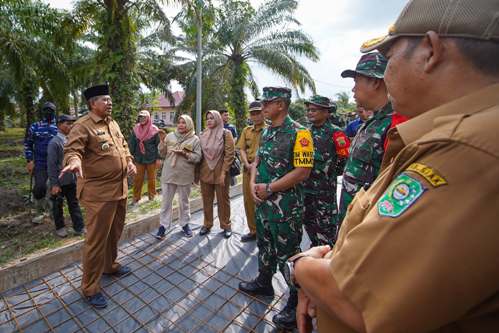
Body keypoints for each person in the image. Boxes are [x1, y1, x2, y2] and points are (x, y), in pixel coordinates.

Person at [291, 0, 499, 332]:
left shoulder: (464, 150)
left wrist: (302, 268)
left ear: (430, 51)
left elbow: (358, 299)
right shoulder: (452, 135)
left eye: (388, 60)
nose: (385, 76)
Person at [238, 87, 313, 331]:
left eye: (267, 103)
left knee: (288, 255)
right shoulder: (268, 132)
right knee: (265, 246)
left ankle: (294, 301)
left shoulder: (301, 134)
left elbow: (303, 172)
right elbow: (257, 162)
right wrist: (251, 186)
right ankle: (263, 281)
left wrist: (269, 188)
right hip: (263, 205)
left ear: (281, 105)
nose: (263, 107)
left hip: (286, 209)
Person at [61, 84, 137, 309]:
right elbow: (72, 150)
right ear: (92, 104)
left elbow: (123, 146)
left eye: (110, 99)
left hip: (119, 189)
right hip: (98, 194)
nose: (109, 102)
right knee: (96, 241)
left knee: (115, 232)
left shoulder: (112, 123)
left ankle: (110, 266)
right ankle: (90, 287)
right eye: (105, 99)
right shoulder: (83, 125)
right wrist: (74, 161)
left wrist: (130, 161)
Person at [337, 52, 395, 227]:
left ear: (375, 82)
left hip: (368, 225)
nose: (353, 89)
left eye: (356, 82)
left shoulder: (393, 125)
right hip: (352, 219)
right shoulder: (372, 122)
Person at [303, 95, 349, 247]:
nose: (310, 113)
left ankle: (327, 250)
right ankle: (314, 245)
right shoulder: (305, 133)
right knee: (308, 220)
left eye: (314, 110)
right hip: (306, 188)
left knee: (326, 224)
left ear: (326, 112)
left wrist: (331, 175)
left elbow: (344, 159)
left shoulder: (336, 133)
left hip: (325, 190)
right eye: (308, 110)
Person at [155, 115, 201, 239]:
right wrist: (161, 141)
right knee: (165, 202)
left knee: (184, 202)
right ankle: (163, 226)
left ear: (189, 124)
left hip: (185, 175)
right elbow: (162, 153)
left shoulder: (195, 139)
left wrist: (185, 154)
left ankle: (185, 224)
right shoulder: (170, 136)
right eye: (179, 122)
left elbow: (198, 158)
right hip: (169, 173)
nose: (181, 125)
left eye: (184, 123)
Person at [198, 110, 235, 238]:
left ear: (218, 119)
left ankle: (226, 225)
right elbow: (200, 155)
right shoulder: (202, 134)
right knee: (206, 200)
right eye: (207, 118)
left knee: (223, 200)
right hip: (205, 172)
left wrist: (224, 173)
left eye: (212, 118)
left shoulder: (226, 133)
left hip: (221, 172)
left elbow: (230, 155)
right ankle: (207, 224)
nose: (209, 121)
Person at [47, 114, 84, 238]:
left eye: (71, 124)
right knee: (58, 205)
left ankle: (79, 227)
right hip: (59, 180)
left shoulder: (70, 140)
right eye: (67, 124)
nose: (70, 126)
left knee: (74, 203)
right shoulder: (54, 142)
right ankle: (60, 227)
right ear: (59, 125)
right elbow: (51, 165)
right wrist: (54, 184)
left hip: (71, 179)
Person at [237, 101, 267, 242]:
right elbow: (241, 148)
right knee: (248, 201)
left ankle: (265, 231)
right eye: (252, 113)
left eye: (258, 112)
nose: (255, 116)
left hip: (264, 170)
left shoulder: (270, 129)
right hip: (248, 170)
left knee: (263, 200)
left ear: (263, 112)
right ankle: (253, 230)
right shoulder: (246, 130)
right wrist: (246, 163)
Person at [24, 101, 58, 224]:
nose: (48, 112)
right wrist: (29, 160)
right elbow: (28, 144)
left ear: (55, 112)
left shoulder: (59, 126)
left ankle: (53, 212)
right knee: (39, 188)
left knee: (54, 187)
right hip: (40, 163)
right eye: (46, 110)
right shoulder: (35, 126)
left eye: (51, 110)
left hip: (56, 163)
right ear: (42, 112)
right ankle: (40, 211)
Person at [129, 110, 161, 205]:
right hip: (139, 158)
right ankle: (136, 198)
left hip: (151, 158)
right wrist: (130, 157)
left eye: (144, 117)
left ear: (148, 118)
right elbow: (132, 144)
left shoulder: (154, 130)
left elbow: (158, 145)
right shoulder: (135, 129)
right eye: (140, 117)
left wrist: (158, 158)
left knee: (152, 178)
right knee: (138, 179)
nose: (142, 119)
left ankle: (152, 196)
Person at [221, 109, 239, 186]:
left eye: (228, 115)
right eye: (225, 115)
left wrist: (228, 147)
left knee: (231, 172)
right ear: (220, 116)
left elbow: (235, 139)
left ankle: (233, 187)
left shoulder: (231, 127)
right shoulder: (216, 127)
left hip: (229, 153)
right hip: (219, 155)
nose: (227, 117)